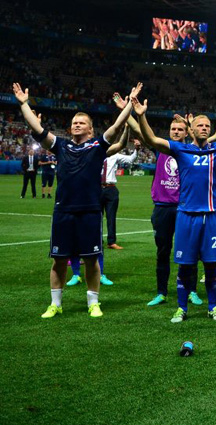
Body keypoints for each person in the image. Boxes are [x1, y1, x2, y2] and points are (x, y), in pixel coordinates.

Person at [13, 81, 138, 318]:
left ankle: (93, 303)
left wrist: (129, 104)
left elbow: (118, 124)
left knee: (91, 261)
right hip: (64, 211)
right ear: (70, 129)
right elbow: (38, 130)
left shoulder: (98, 146)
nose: (77, 125)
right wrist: (24, 104)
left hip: (90, 210)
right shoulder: (61, 146)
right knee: (59, 260)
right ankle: (55, 304)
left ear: (90, 130)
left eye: (82, 123)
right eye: (74, 123)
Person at [133, 92, 216, 323]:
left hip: (211, 216)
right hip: (186, 216)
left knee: (211, 265)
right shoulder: (180, 150)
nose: (204, 128)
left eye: (207, 125)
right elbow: (151, 140)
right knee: (185, 265)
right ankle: (181, 308)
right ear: (192, 129)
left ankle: (213, 307)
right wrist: (141, 116)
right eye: (200, 125)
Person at [101, 142, 138, 250]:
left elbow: (130, 159)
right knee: (96, 217)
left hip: (111, 188)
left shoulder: (114, 156)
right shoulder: (95, 155)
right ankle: (97, 240)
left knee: (111, 217)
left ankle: (111, 242)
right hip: (96, 188)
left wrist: (136, 149)